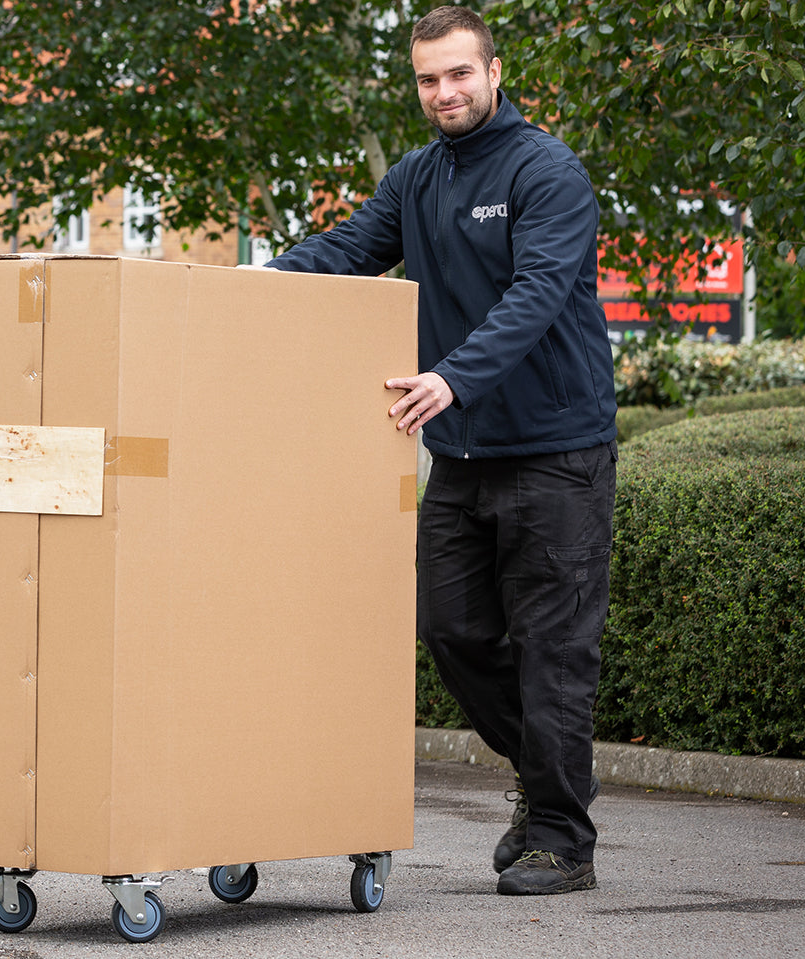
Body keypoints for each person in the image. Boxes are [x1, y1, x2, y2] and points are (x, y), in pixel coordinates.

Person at [261, 5, 616, 896]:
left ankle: (563, 840)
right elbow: (350, 249)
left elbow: (536, 294)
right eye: (428, 79)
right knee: (449, 628)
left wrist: (452, 376)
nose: (444, 92)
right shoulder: (417, 179)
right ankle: (543, 786)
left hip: (557, 452)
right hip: (463, 453)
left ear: (495, 72)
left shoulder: (548, 172)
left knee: (552, 648)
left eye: (459, 74)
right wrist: (253, 286)